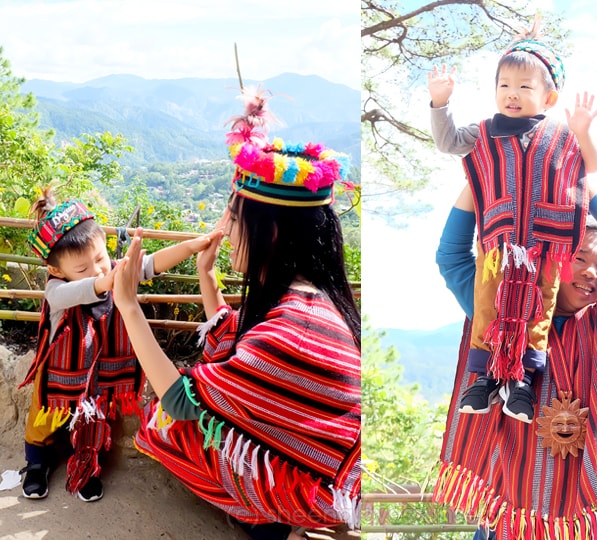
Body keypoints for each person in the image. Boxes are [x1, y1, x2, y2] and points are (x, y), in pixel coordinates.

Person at [110, 90, 361, 540]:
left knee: (171, 427)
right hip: (327, 465)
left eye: (237, 218)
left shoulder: (291, 331)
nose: (228, 229)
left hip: (319, 488)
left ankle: (267, 515)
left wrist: (128, 305)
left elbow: (183, 401)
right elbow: (237, 340)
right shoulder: (308, 297)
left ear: (274, 232)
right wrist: (206, 277)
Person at [432, 181, 597, 539]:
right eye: (580, 258)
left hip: (593, 524)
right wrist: (477, 179)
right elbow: (452, 257)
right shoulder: (504, 323)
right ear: (554, 266)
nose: (590, 271)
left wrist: (578, 180)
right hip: (506, 523)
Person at [427, 22, 597, 423]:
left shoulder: (560, 136)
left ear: (548, 95)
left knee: (538, 308)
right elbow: (447, 141)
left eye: (524, 87)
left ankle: (521, 380)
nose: (512, 94)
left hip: (546, 244)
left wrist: (583, 132)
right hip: (497, 246)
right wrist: (440, 104)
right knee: (488, 303)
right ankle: (485, 378)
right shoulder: (485, 132)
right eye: (504, 85)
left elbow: (589, 166)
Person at [19, 190, 216, 501]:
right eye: (82, 269)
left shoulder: (111, 270)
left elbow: (150, 264)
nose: (97, 269)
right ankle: (35, 464)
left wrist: (192, 246)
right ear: (56, 270)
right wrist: (103, 281)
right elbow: (84, 290)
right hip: (60, 372)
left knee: (95, 419)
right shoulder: (56, 290)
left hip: (100, 372)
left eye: (99, 258)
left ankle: (84, 466)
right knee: (43, 420)